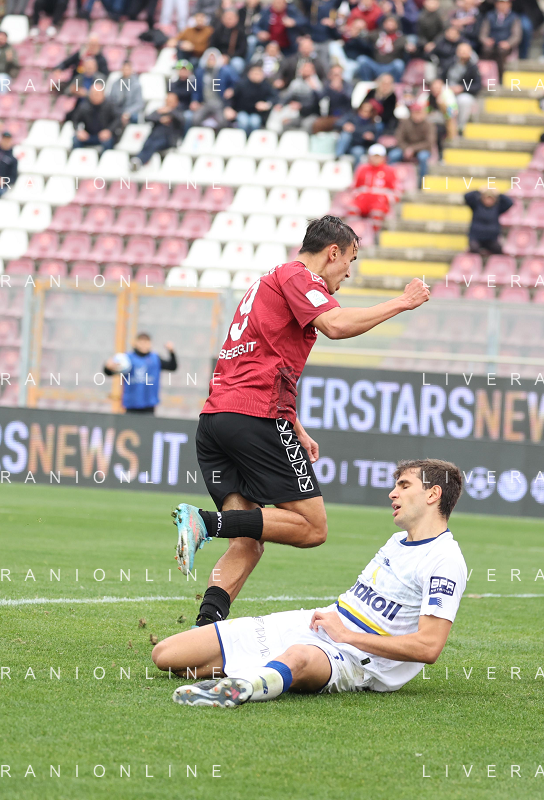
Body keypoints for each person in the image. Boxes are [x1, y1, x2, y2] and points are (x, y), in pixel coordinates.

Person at [172, 216, 431, 627]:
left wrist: (293, 424)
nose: (349, 271)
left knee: (248, 538)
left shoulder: (268, 282)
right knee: (312, 527)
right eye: (350, 260)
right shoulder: (298, 275)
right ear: (333, 252)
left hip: (216, 420)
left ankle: (205, 629)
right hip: (255, 417)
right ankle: (204, 521)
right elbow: (336, 326)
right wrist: (403, 302)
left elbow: (263, 358)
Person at [160, 460, 467, 707]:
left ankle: (242, 689)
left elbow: (428, 647)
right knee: (168, 655)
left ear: (432, 494)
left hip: (361, 660)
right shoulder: (397, 541)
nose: (392, 494)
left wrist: (347, 636)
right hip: (323, 624)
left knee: (299, 657)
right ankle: (260, 672)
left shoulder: (445, 560)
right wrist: (337, 628)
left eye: (404, 485)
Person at [103, 334, 179, 415]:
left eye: (146, 343)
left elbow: (172, 367)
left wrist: (171, 352)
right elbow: (109, 372)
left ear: (150, 344)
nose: (144, 346)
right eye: (141, 343)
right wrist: (108, 367)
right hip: (131, 404)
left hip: (149, 404)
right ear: (136, 343)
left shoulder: (155, 358)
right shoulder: (127, 358)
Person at [131, 92, 185, 170]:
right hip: (154, 137)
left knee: (154, 145)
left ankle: (139, 161)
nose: (168, 103)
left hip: (168, 140)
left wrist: (170, 111)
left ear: (176, 102)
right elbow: (147, 118)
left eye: (171, 101)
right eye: (167, 101)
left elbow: (182, 121)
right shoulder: (160, 110)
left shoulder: (178, 111)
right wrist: (160, 119)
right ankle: (137, 160)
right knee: (147, 144)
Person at [390, 102, 438, 183]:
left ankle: (422, 183)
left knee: (423, 157)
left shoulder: (429, 125)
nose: (417, 115)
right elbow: (399, 138)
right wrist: (406, 149)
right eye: (415, 113)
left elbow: (429, 142)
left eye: (419, 113)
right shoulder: (405, 123)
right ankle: (390, 180)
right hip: (405, 148)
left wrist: (412, 149)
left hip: (422, 149)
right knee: (393, 155)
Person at [351, 143, 398, 223]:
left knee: (377, 212)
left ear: (383, 157)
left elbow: (396, 191)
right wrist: (358, 195)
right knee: (352, 209)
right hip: (362, 199)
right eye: (374, 156)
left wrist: (385, 198)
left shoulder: (390, 171)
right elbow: (354, 187)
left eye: (378, 156)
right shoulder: (362, 169)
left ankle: (376, 230)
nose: (376, 159)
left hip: (380, 202)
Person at [225, 61, 276, 135]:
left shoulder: (266, 86)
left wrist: (266, 104)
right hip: (241, 111)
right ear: (249, 74)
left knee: (255, 122)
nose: (257, 76)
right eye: (255, 73)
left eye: (259, 74)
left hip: (257, 113)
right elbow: (230, 97)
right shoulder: (241, 84)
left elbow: (274, 98)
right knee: (243, 121)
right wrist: (228, 108)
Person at [68, 83, 121, 150]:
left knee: (108, 142)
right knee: (76, 140)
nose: (95, 96)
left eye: (97, 94)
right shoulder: (84, 106)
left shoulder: (110, 105)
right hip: (89, 135)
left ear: (103, 94)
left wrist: (109, 130)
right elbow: (75, 119)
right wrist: (79, 131)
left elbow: (117, 119)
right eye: (93, 94)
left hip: (104, 135)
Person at [463, 189, 514, 256]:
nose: (488, 201)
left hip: (491, 239)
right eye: (487, 198)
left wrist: (499, 194)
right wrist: (479, 191)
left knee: (498, 249)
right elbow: (467, 196)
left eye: (491, 198)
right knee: (474, 249)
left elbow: (510, 203)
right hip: (476, 238)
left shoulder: (497, 208)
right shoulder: (476, 205)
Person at [478, 0, 521, 65]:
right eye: (500, 3)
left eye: (505, 3)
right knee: (486, 50)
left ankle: (501, 70)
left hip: (505, 44)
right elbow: (483, 32)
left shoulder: (514, 17)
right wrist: (486, 40)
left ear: (509, 4)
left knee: (501, 52)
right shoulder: (489, 16)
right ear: (496, 4)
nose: (502, 5)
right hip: (492, 43)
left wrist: (508, 43)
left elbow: (516, 35)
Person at [108, 62, 144, 127]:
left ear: (131, 70)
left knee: (134, 117)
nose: (126, 71)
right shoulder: (115, 83)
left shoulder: (137, 85)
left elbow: (139, 104)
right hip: (117, 110)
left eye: (127, 69)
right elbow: (111, 99)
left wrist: (128, 112)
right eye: (124, 69)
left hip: (131, 111)